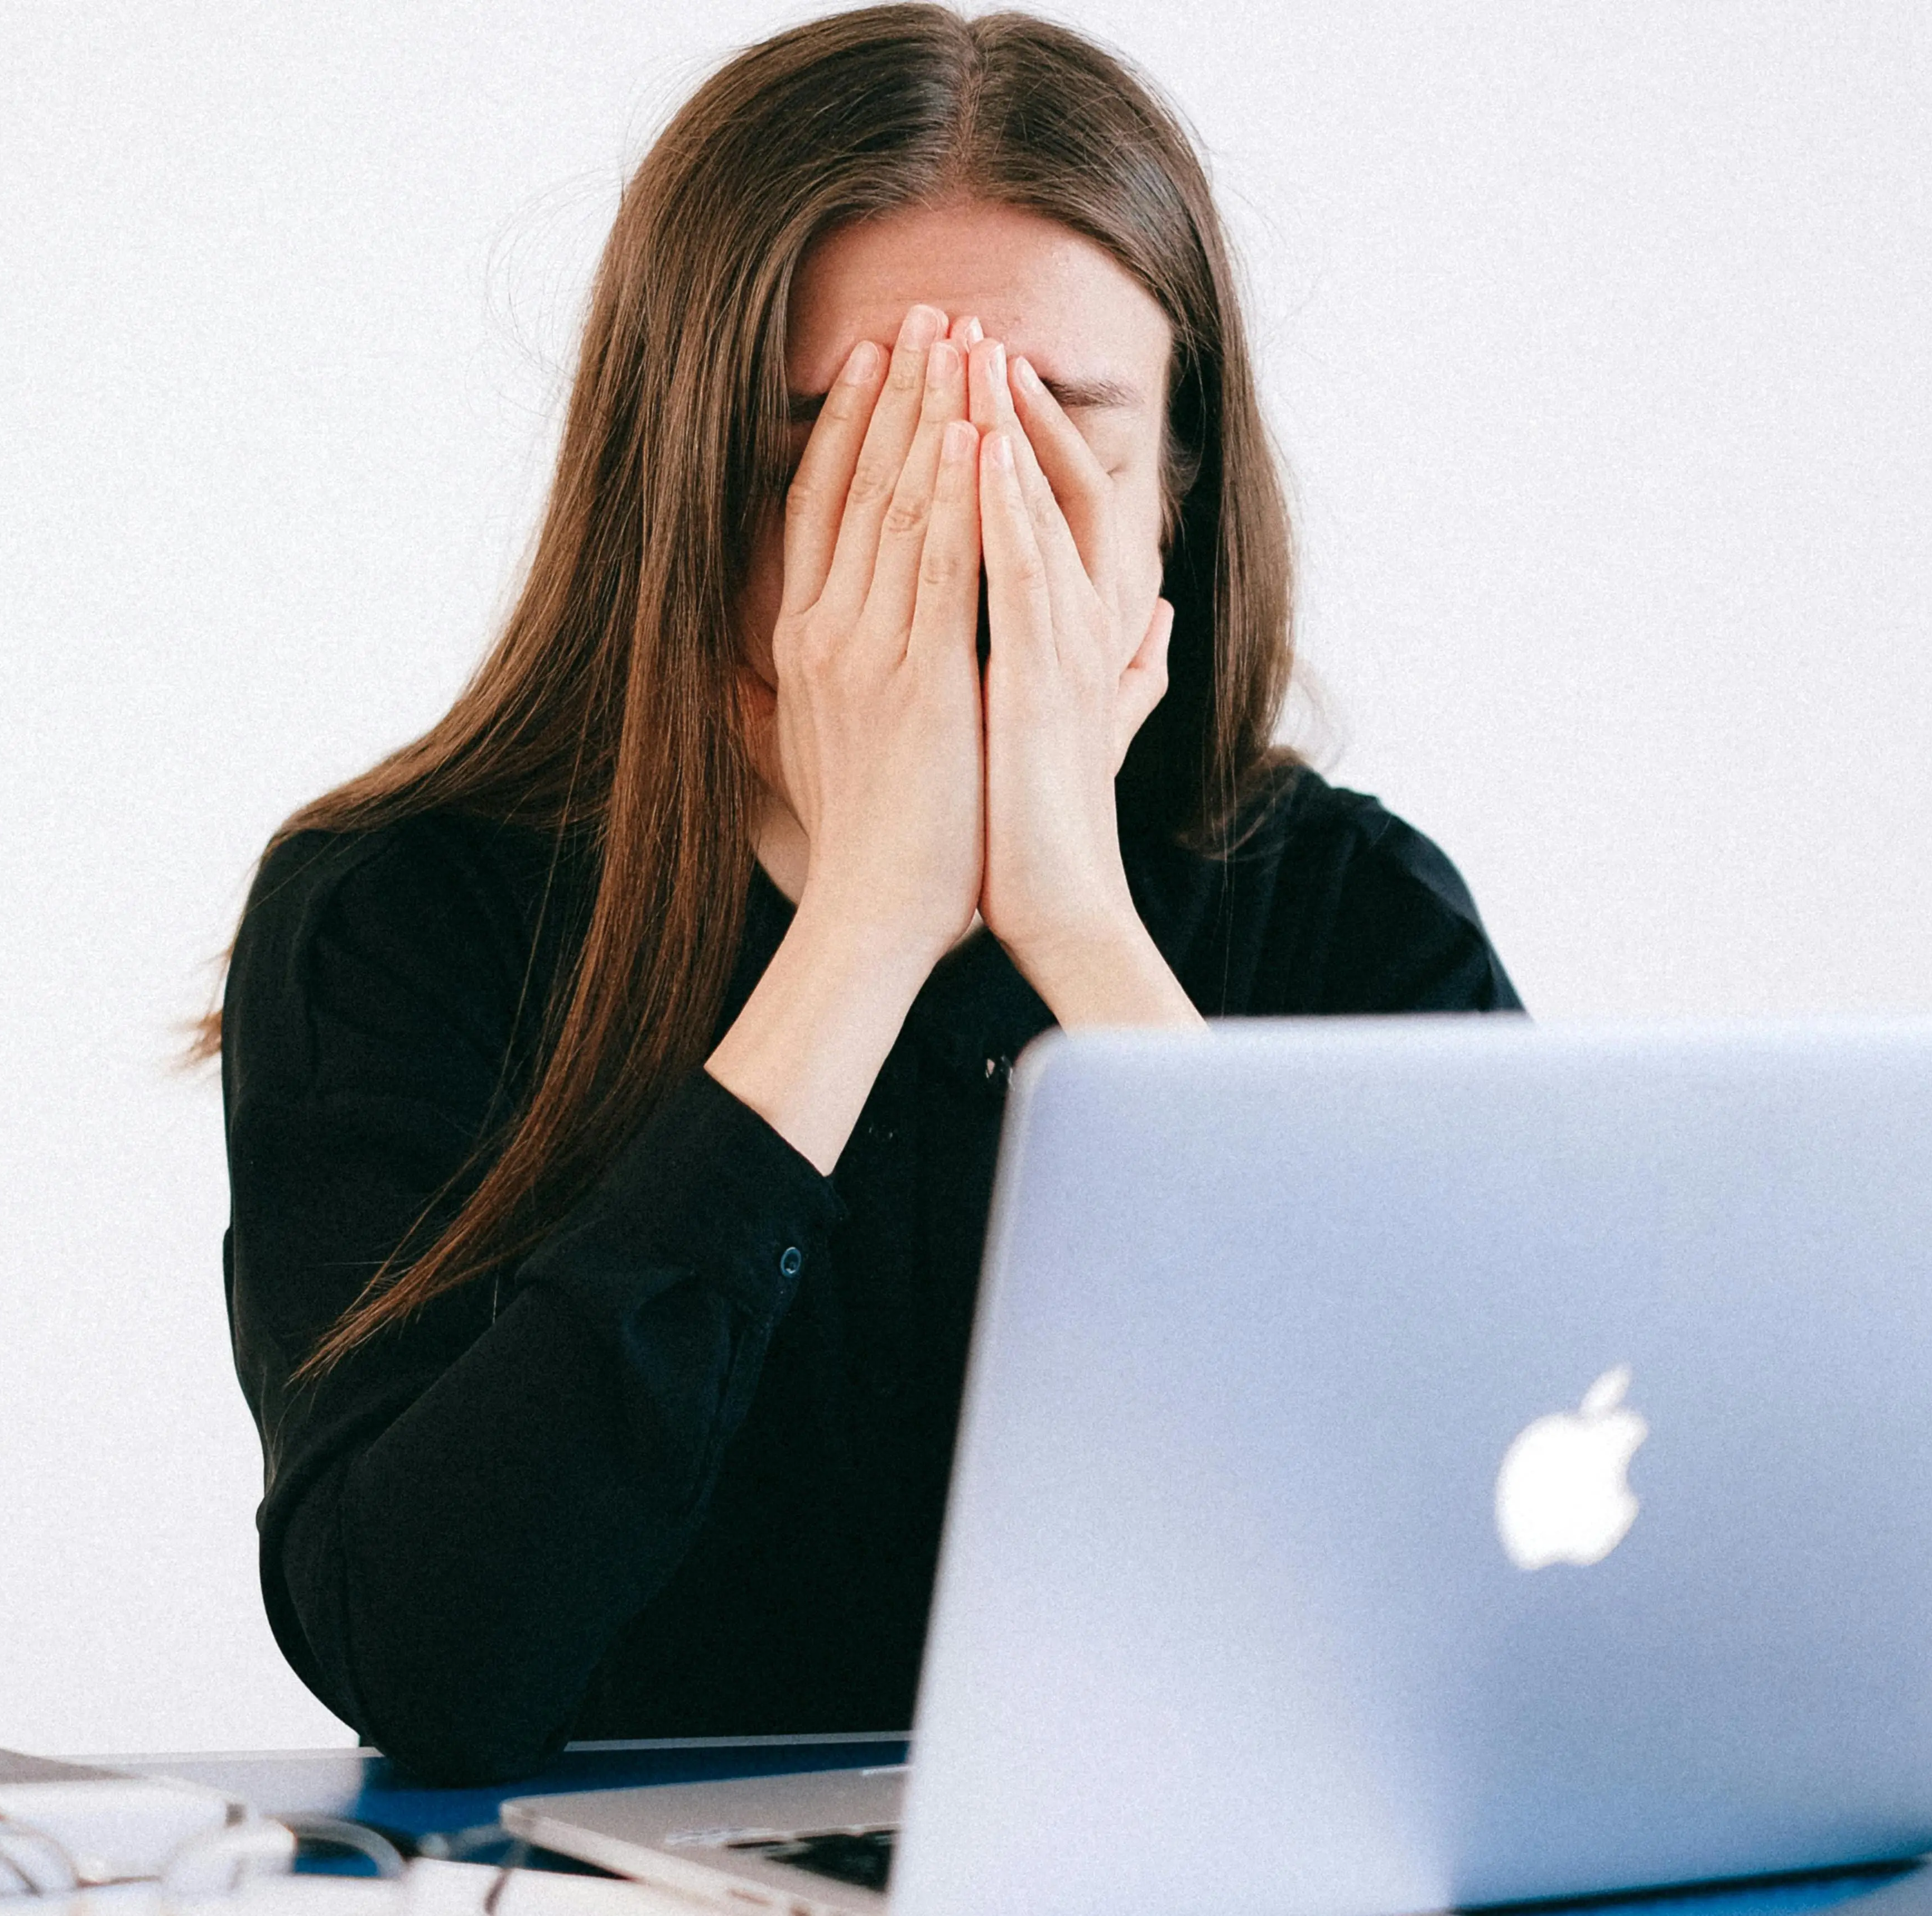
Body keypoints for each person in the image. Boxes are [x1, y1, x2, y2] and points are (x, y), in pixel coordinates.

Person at [199, 4, 1520, 1787]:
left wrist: (1076, 926)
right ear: (686, 486)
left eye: (1056, 446)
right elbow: (435, 1664)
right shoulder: (397, 917)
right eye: (845, 450)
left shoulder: (1347, 910)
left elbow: (1476, 1600)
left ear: (1176, 498)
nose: (959, 530)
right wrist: (867, 930)